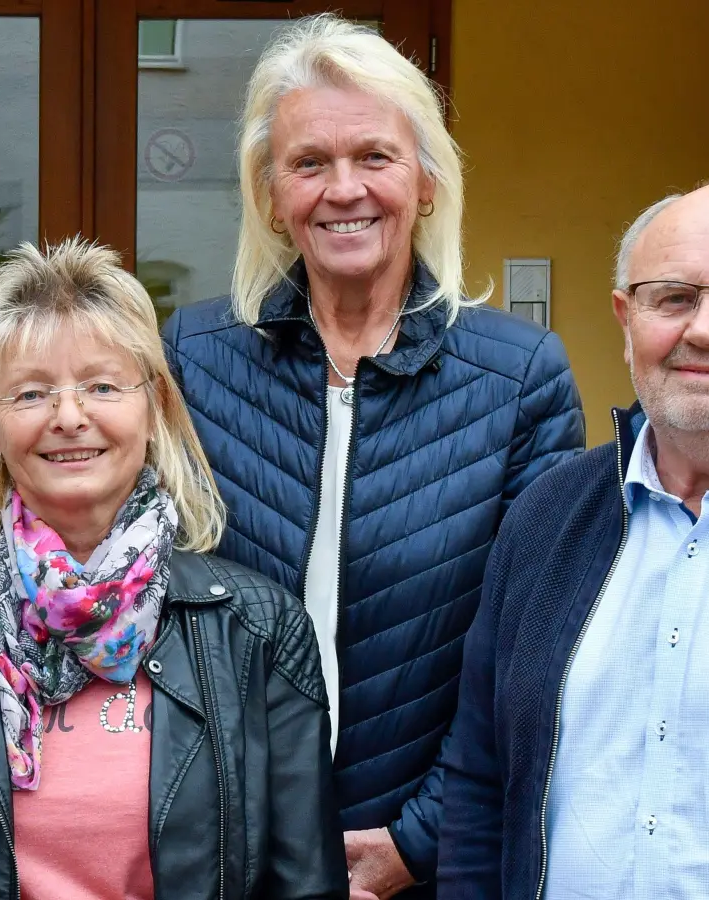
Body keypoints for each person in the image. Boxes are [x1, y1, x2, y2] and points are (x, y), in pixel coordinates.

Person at [161, 15, 584, 898]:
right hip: (224, 850)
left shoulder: (517, 380)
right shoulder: (192, 359)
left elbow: (539, 647)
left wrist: (415, 841)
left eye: (376, 157)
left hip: (429, 860)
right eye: (309, 163)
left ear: (427, 181)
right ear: (271, 193)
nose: (342, 189)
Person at [0, 238, 347, 900]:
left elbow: (303, 886)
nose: (69, 417)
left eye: (101, 385)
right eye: (32, 393)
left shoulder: (258, 631)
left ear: (155, 410)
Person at [438, 176, 709, 899]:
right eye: (671, 297)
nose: (703, 329)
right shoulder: (548, 516)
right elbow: (480, 783)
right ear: (626, 318)